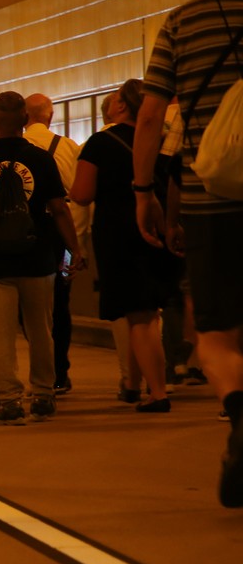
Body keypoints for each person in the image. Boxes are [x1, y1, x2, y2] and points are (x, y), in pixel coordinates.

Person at [135, 0, 243, 506]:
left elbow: (152, 116)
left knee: (217, 332)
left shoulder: (182, 22)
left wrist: (143, 191)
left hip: (210, 203)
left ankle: (240, 415)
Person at [0, 92, 85, 425]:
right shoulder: (41, 159)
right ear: (25, 121)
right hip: (38, 257)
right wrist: (75, 248)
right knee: (41, 329)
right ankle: (43, 395)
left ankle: (10, 401)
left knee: (0, 333)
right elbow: (59, 209)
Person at [70, 79, 175, 412]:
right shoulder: (161, 140)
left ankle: (158, 393)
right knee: (144, 312)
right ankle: (132, 385)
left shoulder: (101, 142)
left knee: (140, 316)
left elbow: (82, 194)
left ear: (121, 105)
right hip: (159, 229)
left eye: (114, 98)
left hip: (118, 233)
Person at [24, 93, 85, 394]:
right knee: (61, 303)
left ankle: (42, 368)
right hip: (62, 236)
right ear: (50, 116)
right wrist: (76, 246)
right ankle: (60, 372)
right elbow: (77, 201)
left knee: (29, 305)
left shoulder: (18, 148)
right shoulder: (69, 147)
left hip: (28, 235)